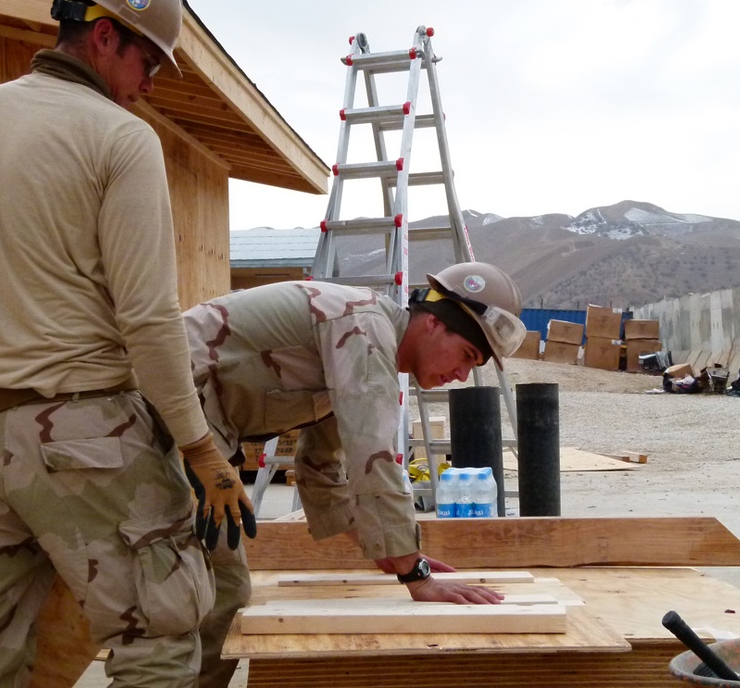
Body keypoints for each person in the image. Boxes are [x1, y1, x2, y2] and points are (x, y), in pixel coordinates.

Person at [0, 0, 249, 687]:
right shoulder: (119, 139)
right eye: (148, 59)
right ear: (106, 35)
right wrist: (201, 449)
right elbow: (148, 320)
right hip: (91, 440)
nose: (151, 84)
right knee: (160, 640)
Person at [182, 261, 528, 686]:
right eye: (466, 356)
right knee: (215, 594)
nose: (460, 375)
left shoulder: (362, 341)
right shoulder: (364, 328)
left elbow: (320, 466)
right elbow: (374, 455)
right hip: (158, 416)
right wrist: (414, 574)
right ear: (435, 323)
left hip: (187, 429)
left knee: (201, 593)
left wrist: (379, 545)